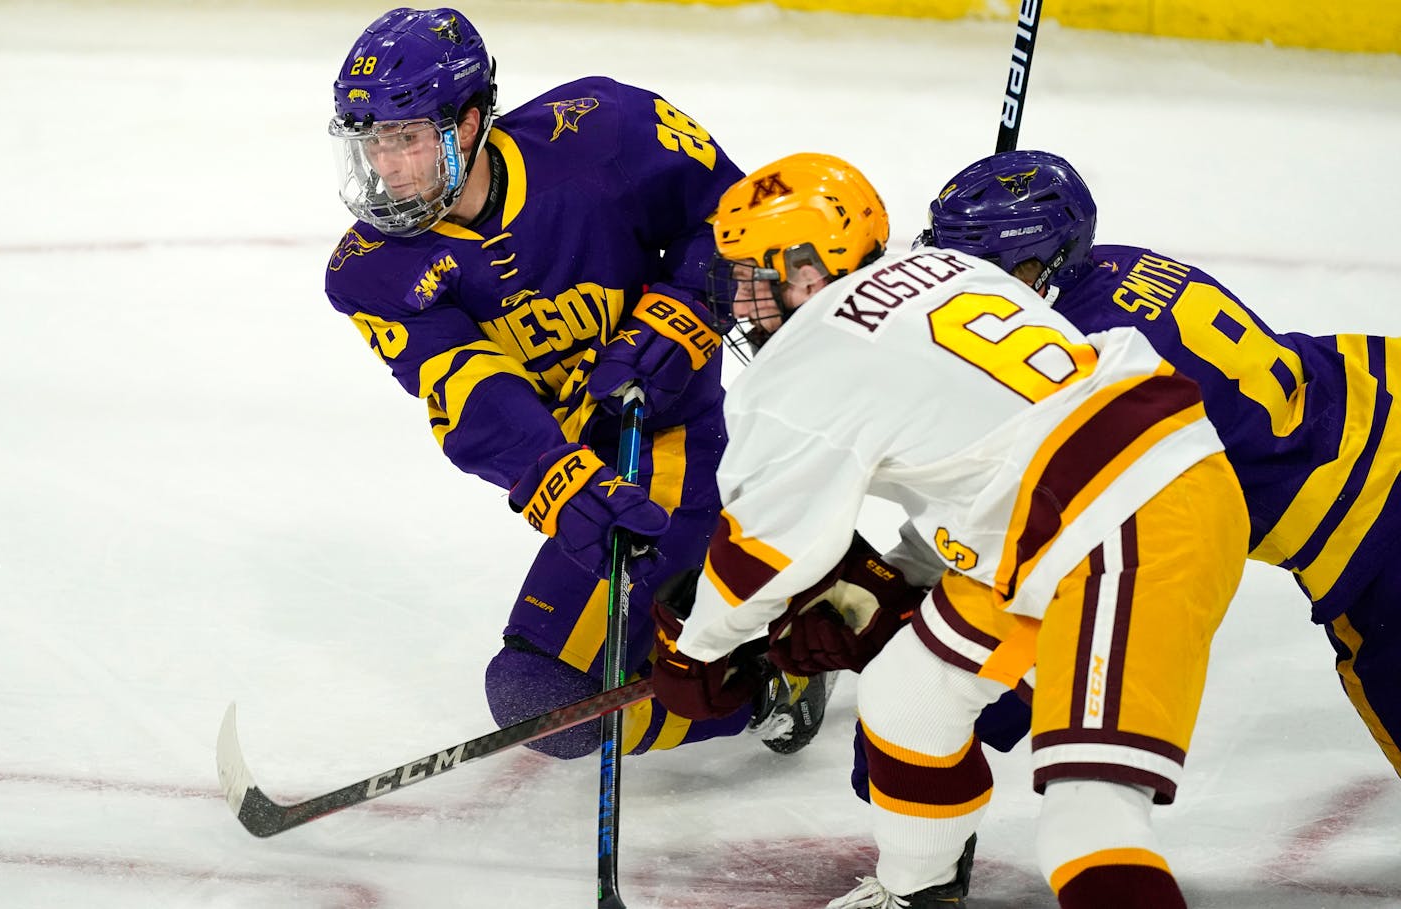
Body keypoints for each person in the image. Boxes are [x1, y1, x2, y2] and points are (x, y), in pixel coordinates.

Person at [648, 151, 1250, 909]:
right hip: (1091, 510)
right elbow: (1000, 451)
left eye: (750, 279)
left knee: (1088, 813)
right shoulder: (950, 271)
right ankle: (916, 889)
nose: (739, 305)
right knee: (910, 693)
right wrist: (899, 574)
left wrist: (698, 648)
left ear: (805, 271)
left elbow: (766, 550)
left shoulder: (805, 358)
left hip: (1120, 525)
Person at [321, 7, 832, 759]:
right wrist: (557, 481)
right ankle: (743, 638)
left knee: (591, 682)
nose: (384, 168)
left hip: (676, 438)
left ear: (465, 125)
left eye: (403, 139)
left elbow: (736, 216)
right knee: (540, 696)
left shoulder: (605, 131)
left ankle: (769, 671)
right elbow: (473, 393)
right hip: (590, 465)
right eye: (369, 145)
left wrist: (685, 309)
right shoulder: (371, 271)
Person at [924, 149, 1401, 779]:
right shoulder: (1113, 266)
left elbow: (1076, 576)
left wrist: (962, 714)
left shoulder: (1083, 371)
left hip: (1370, 520)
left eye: (985, 264)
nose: (961, 280)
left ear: (1046, 261)